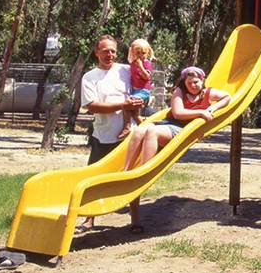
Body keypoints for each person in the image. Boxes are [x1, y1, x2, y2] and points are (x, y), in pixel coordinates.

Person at [121, 66, 231, 231]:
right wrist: (201, 112)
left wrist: (212, 108)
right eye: (189, 82)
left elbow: (227, 97)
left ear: (202, 81)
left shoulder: (208, 93)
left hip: (182, 130)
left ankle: (144, 171)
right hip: (171, 124)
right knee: (139, 129)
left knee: (151, 130)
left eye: (196, 82)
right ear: (184, 82)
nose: (193, 85)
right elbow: (178, 113)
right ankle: (127, 169)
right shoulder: (179, 92)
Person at [77, 35, 145, 231]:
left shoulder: (126, 70)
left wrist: (141, 101)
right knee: (93, 178)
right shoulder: (90, 77)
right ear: (97, 53)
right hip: (103, 135)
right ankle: (89, 219)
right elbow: (92, 106)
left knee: (131, 177)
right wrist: (123, 104)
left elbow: (141, 88)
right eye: (105, 51)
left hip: (130, 135)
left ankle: (135, 221)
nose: (110, 55)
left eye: (113, 51)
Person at [120, 38, 155, 138]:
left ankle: (127, 127)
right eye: (138, 53)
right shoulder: (132, 64)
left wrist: (140, 66)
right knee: (135, 115)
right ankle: (146, 129)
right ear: (133, 52)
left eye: (143, 53)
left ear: (147, 53)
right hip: (135, 90)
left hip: (143, 91)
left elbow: (147, 77)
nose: (140, 56)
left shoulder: (146, 63)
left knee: (127, 105)